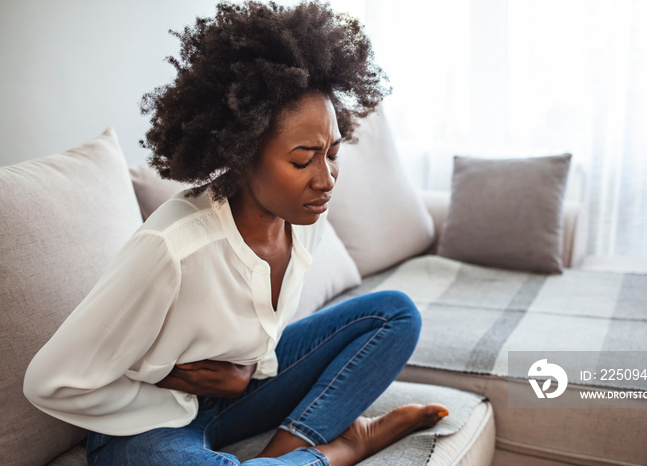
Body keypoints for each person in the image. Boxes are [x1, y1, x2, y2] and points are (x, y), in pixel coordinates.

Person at [23, 2, 447, 465]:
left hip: (237, 400)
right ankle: (340, 450)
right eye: (304, 159)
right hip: (143, 426)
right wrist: (166, 379)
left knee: (396, 314)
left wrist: (248, 371)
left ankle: (286, 450)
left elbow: (260, 334)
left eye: (332, 153)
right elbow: (50, 380)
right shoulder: (172, 248)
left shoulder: (306, 218)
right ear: (243, 153)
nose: (325, 180)